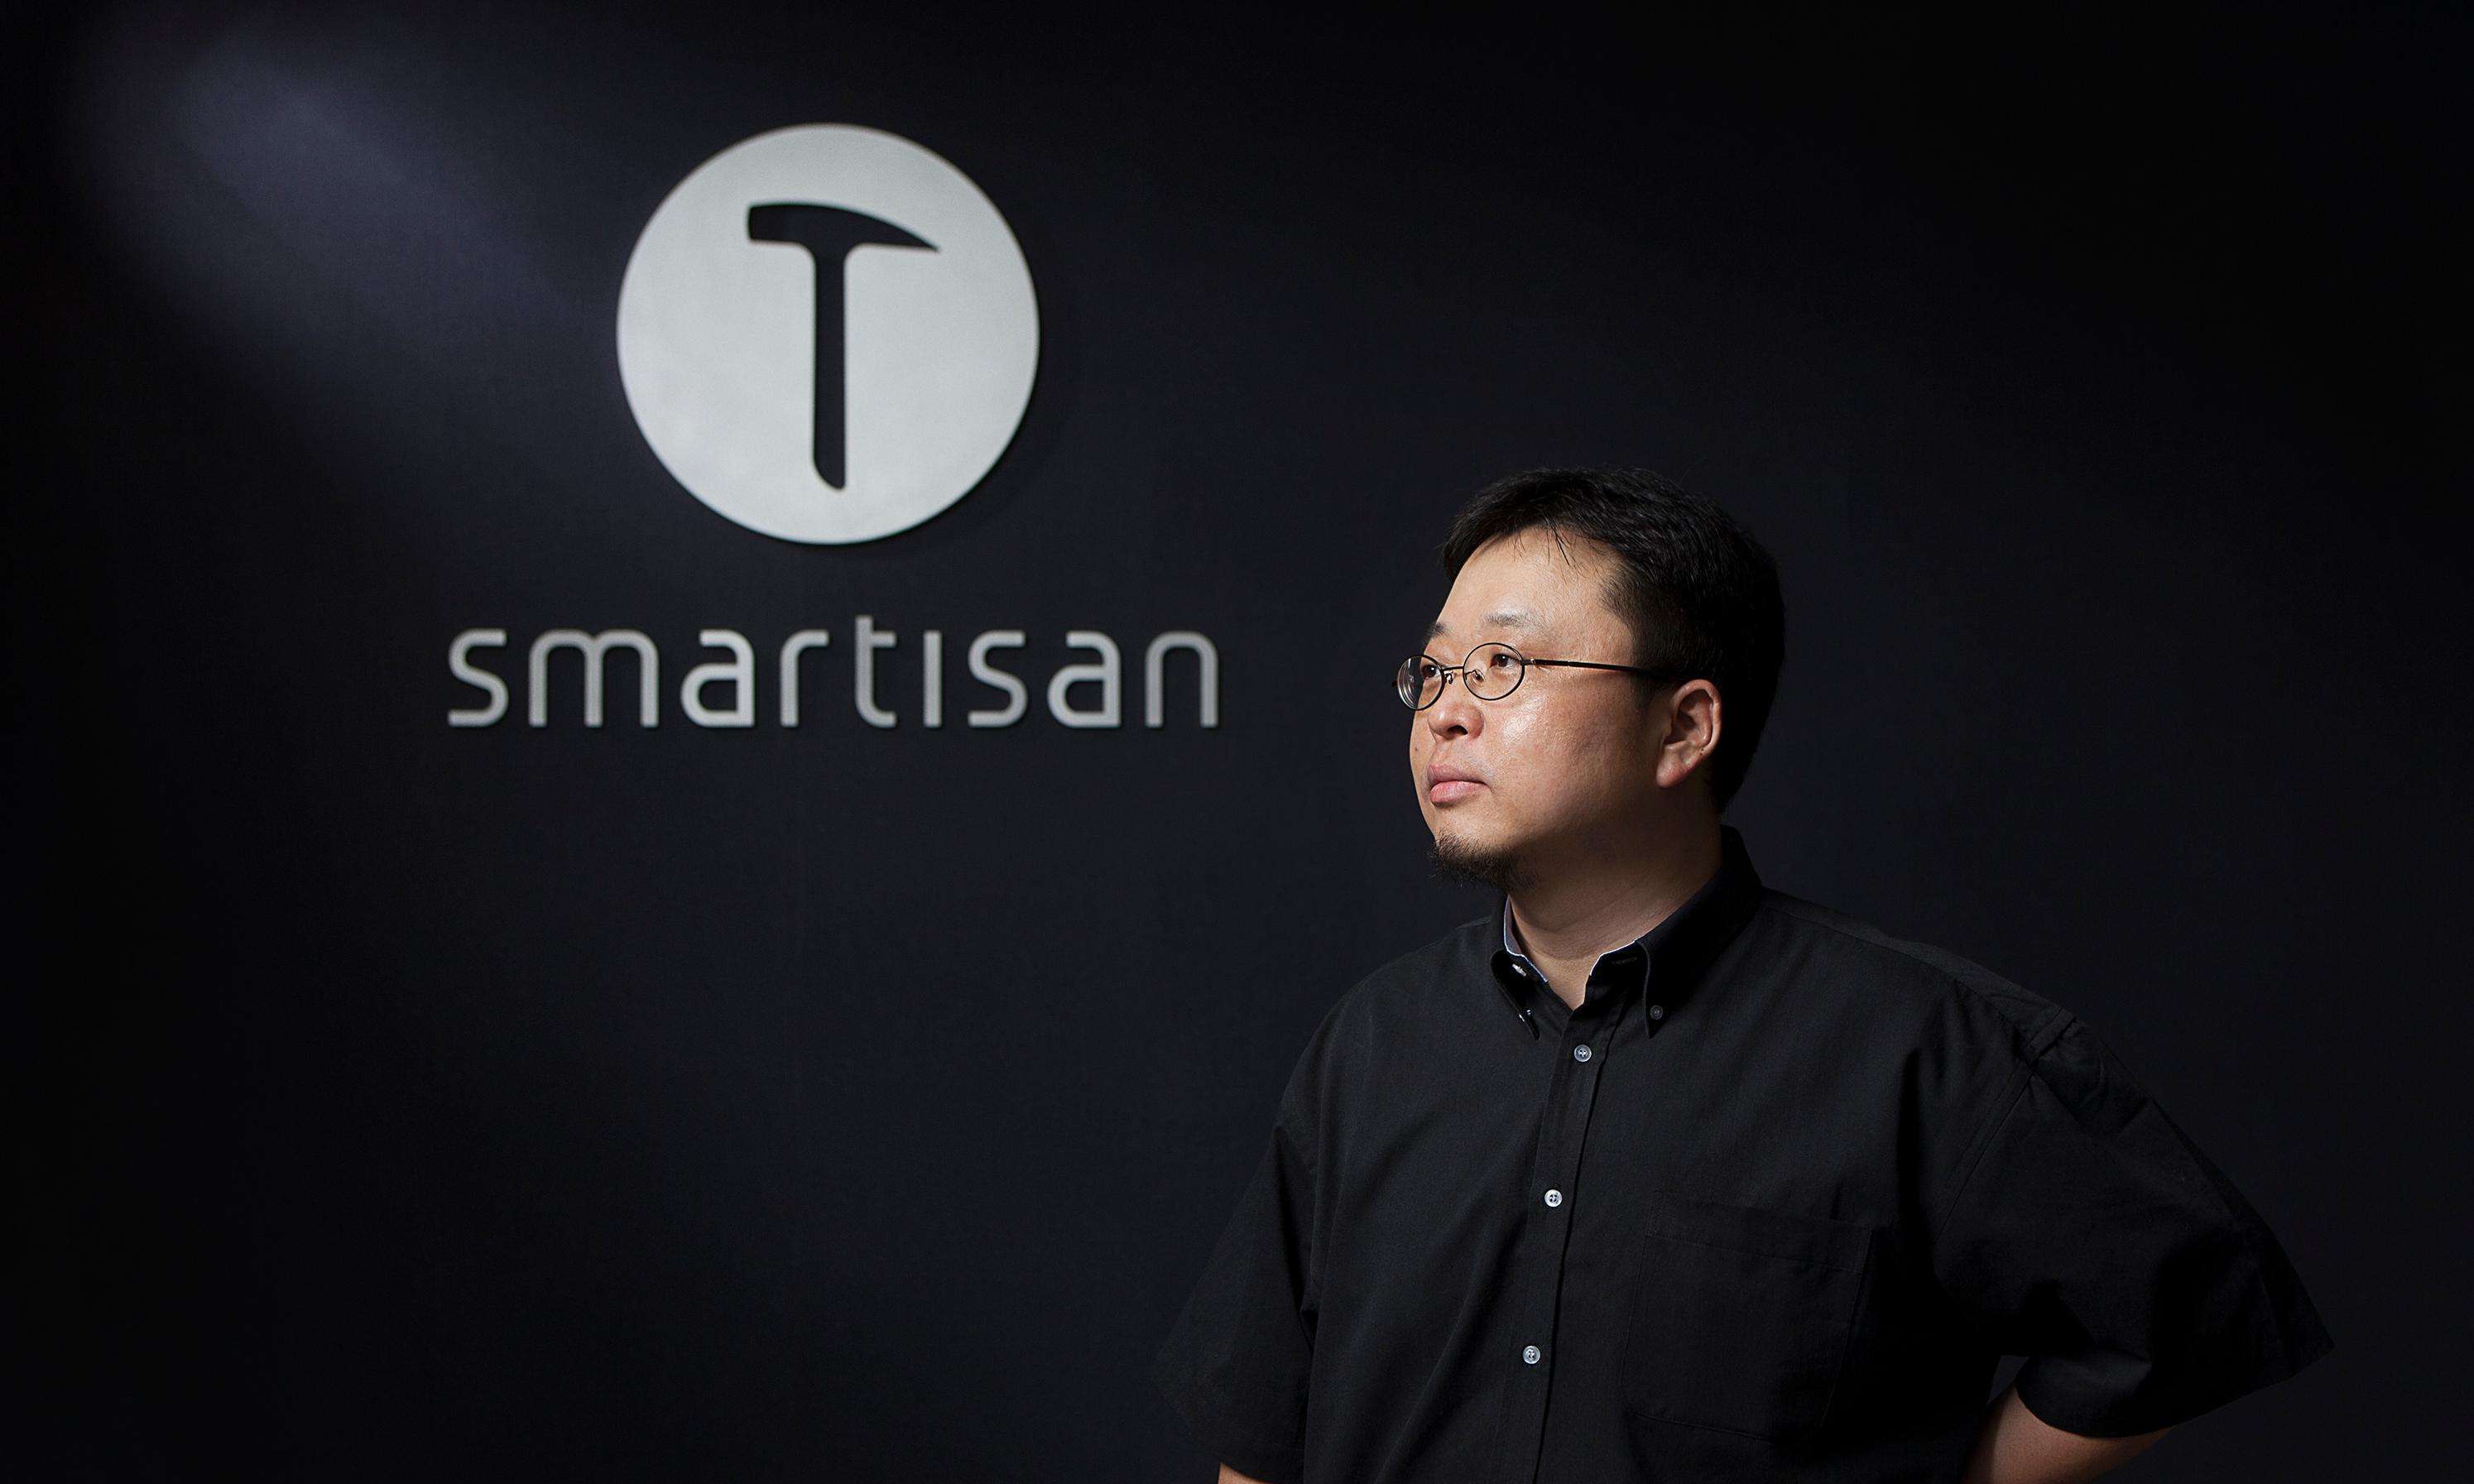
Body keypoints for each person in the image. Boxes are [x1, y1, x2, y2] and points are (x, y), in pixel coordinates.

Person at [1150, 468, 2331, 1483]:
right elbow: (1265, 1429)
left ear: (1684, 727)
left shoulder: (1924, 1047)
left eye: (1503, 664)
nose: (1445, 714)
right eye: (1435, 671)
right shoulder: (1374, 1042)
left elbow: (2184, 1316)